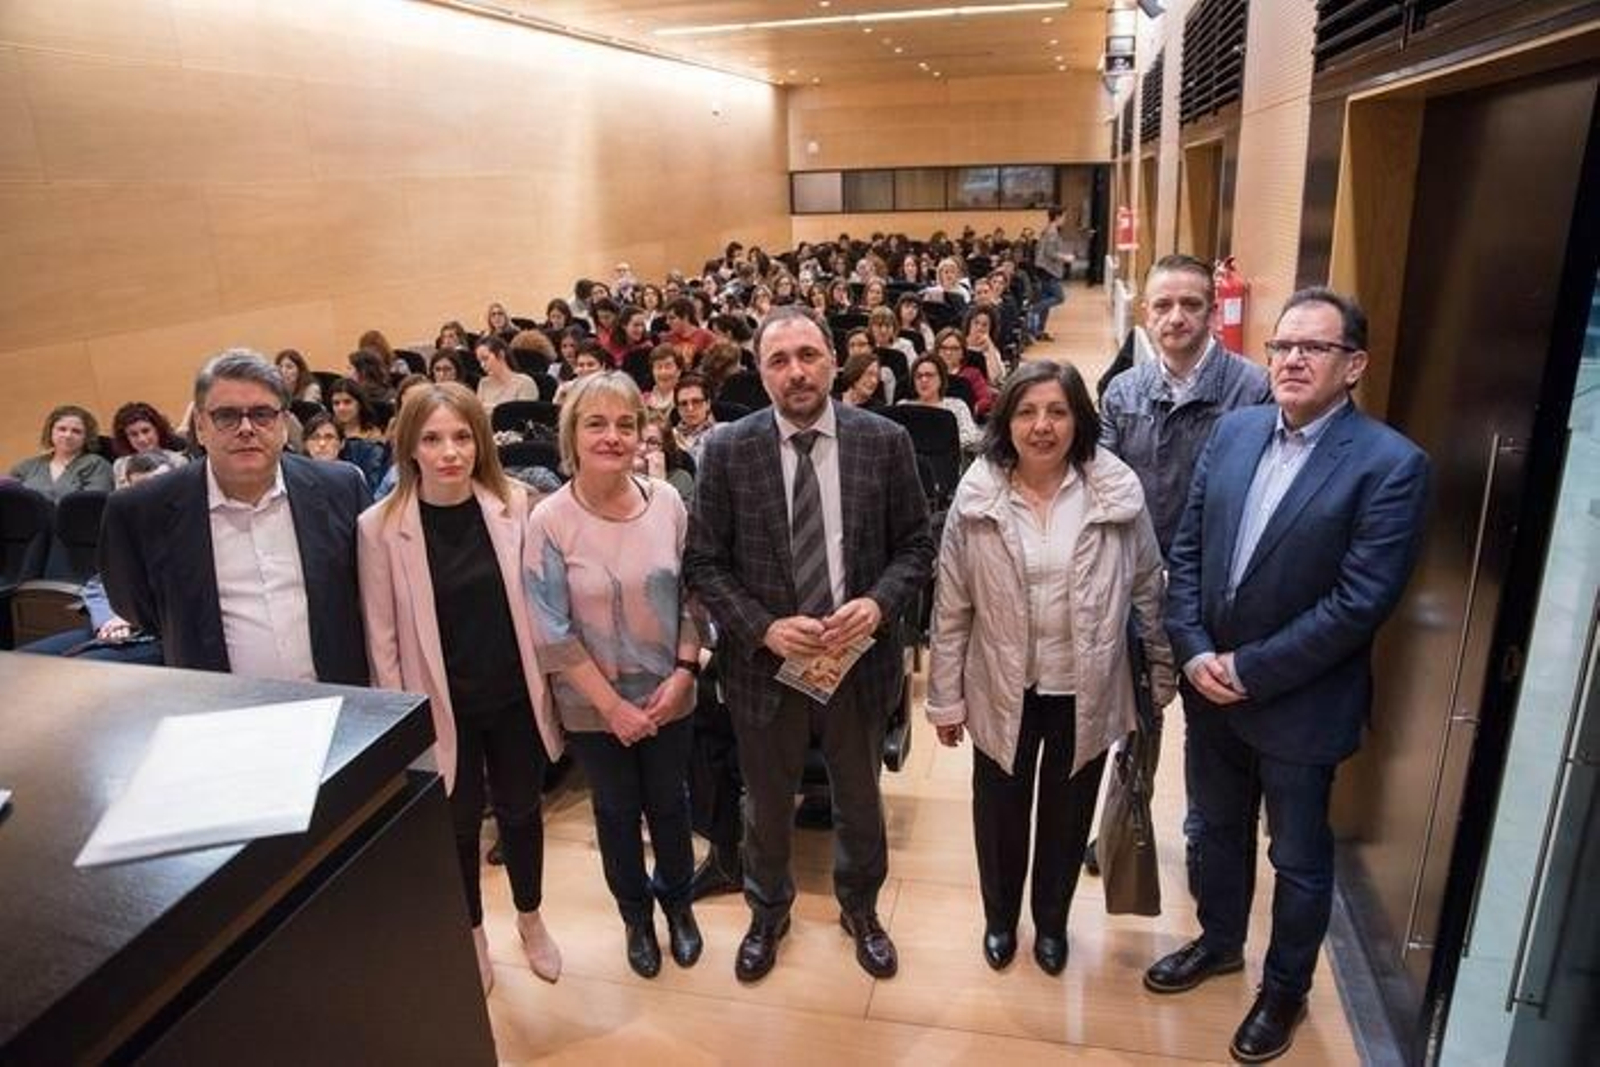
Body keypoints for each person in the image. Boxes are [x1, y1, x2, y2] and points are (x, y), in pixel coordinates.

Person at [1143, 288, 1429, 1064]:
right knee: (1211, 829)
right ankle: (1220, 940)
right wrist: (1197, 649)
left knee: (1297, 858)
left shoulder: (1391, 465)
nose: (1292, 359)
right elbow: (1190, 549)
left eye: (1314, 348)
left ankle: (1285, 988)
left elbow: (1359, 601)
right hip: (1211, 693)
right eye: (1281, 346)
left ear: (1354, 365)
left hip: (1301, 705)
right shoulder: (1234, 433)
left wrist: (1249, 667)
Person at [684, 306, 933, 983]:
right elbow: (704, 563)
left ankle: (861, 908)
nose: (796, 371)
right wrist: (763, 626)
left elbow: (917, 545)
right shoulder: (728, 449)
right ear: (759, 372)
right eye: (778, 360)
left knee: (859, 798)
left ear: (832, 358)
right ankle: (768, 913)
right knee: (765, 802)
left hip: (858, 663)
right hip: (765, 668)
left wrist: (877, 603)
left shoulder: (884, 441)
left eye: (808, 355)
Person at [925, 361, 1173, 975]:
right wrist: (945, 697)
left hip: (1084, 685)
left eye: (1057, 412)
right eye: (1027, 412)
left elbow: (1148, 589)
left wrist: (1159, 683)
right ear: (1006, 420)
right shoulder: (978, 492)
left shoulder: (1114, 489)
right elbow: (951, 603)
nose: (1042, 426)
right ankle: (1001, 920)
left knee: (1067, 820)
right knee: (999, 815)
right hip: (1000, 683)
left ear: (1079, 420)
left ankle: (1054, 923)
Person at [358, 382, 564, 994]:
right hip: (441, 705)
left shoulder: (515, 505)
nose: (449, 451)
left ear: (480, 440)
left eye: (461, 436)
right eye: (431, 438)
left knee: (524, 815)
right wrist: (402, 725)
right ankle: (471, 934)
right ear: (409, 448)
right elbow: (382, 637)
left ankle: (530, 919)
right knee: (458, 826)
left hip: (513, 698)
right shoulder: (380, 526)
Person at [1093, 253, 1272, 887]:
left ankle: (1206, 848)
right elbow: (1106, 489)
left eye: (1190, 304)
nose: (1176, 317)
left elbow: (1255, 499)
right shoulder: (1123, 391)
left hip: (1214, 597)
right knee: (1135, 715)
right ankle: (1120, 826)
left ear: (1212, 311)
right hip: (1138, 587)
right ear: (1147, 314)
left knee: (1211, 733)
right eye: (1163, 306)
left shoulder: (1252, 389)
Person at [524, 372, 705, 980]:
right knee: (617, 810)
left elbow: (693, 596)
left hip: (668, 693)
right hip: (592, 706)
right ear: (571, 435)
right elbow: (550, 629)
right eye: (596, 423)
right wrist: (613, 709)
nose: (612, 436)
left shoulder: (670, 502)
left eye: (625, 424)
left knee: (672, 805)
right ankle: (636, 916)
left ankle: (678, 904)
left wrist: (684, 673)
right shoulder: (548, 519)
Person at [99, 349, 370, 682]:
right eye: (226, 416)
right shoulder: (139, 511)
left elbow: (364, 594)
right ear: (200, 425)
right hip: (218, 713)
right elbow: (140, 608)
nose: (246, 428)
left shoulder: (341, 488)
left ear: (284, 424)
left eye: (262, 414)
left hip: (343, 705)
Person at [18, 450, 179, 666]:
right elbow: (99, 584)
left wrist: (133, 618)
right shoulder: (131, 529)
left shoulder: (191, 530)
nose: (150, 497)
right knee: (20, 661)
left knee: (70, 671)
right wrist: (106, 621)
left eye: (158, 486)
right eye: (141, 489)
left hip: (166, 636)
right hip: (115, 625)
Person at [10, 404, 114, 500]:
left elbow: (93, 504)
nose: (68, 435)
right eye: (62, 429)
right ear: (50, 431)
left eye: (76, 431)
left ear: (86, 437)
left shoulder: (96, 465)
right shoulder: (26, 467)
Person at [900, 354, 982, 454]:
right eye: (918, 376)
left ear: (941, 378)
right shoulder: (903, 407)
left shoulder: (957, 406)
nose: (924, 380)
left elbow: (971, 437)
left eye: (929, 375)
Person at [109, 401, 187, 488]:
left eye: (146, 431)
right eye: (133, 434)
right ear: (125, 438)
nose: (142, 439)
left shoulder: (178, 461)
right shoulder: (120, 465)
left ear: (157, 429)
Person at [1030, 206, 1071, 341]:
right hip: (1048, 271)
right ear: (1057, 216)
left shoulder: (1047, 230)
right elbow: (1050, 252)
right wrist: (1065, 258)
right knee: (1059, 297)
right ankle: (1033, 310)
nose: (1065, 220)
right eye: (1064, 216)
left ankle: (1039, 331)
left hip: (1043, 270)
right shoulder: (1052, 232)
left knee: (1046, 300)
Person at [935, 326, 994, 419]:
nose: (948, 353)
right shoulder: (929, 372)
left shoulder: (973, 374)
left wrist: (969, 411)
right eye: (943, 348)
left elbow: (986, 399)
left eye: (954, 348)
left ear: (963, 352)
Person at [636, 411, 695, 503]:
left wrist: (659, 484)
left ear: (665, 447)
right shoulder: (617, 476)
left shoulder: (681, 479)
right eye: (638, 439)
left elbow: (675, 517)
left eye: (652, 442)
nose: (643, 448)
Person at [475, 335, 539, 417]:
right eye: (480, 361)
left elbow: (523, 418)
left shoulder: (525, 383)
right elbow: (478, 416)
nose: (482, 365)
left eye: (485, 358)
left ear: (501, 355)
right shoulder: (483, 383)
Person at [672, 372, 717, 462]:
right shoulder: (670, 438)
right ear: (677, 409)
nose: (690, 408)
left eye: (696, 401)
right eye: (683, 404)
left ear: (708, 404)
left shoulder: (722, 433)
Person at [327, 377, 386, 441]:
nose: (341, 408)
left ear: (360, 404)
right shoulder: (325, 431)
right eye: (336, 403)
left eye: (347, 402)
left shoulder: (373, 436)